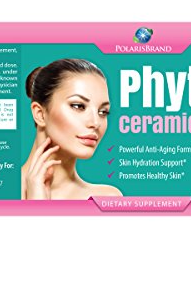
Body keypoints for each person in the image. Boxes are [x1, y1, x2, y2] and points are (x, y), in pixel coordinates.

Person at [22, 58, 122, 200]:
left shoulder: (106, 198)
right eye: (78, 106)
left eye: (103, 112)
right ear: (40, 114)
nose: (95, 123)